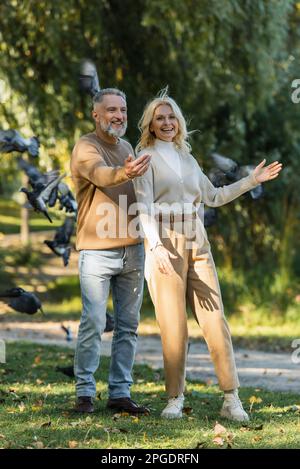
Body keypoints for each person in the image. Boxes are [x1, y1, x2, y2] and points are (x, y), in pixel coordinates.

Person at [133, 90, 282, 421]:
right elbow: (142, 205)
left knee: (215, 318)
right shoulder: (146, 157)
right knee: (174, 324)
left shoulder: (188, 159)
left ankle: (231, 398)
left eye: (172, 117)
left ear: (179, 123)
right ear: (151, 125)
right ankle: (174, 397)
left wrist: (250, 180)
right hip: (164, 241)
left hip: (197, 240)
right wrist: (154, 246)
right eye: (160, 118)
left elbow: (213, 196)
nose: (167, 122)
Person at [70, 88, 151, 414]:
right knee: (93, 321)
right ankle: (85, 394)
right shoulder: (86, 147)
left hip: (133, 250)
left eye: (123, 110)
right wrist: (125, 172)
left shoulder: (128, 147)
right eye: (111, 110)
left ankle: (119, 393)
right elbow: (101, 175)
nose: (118, 115)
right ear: (96, 114)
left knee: (128, 327)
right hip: (97, 252)